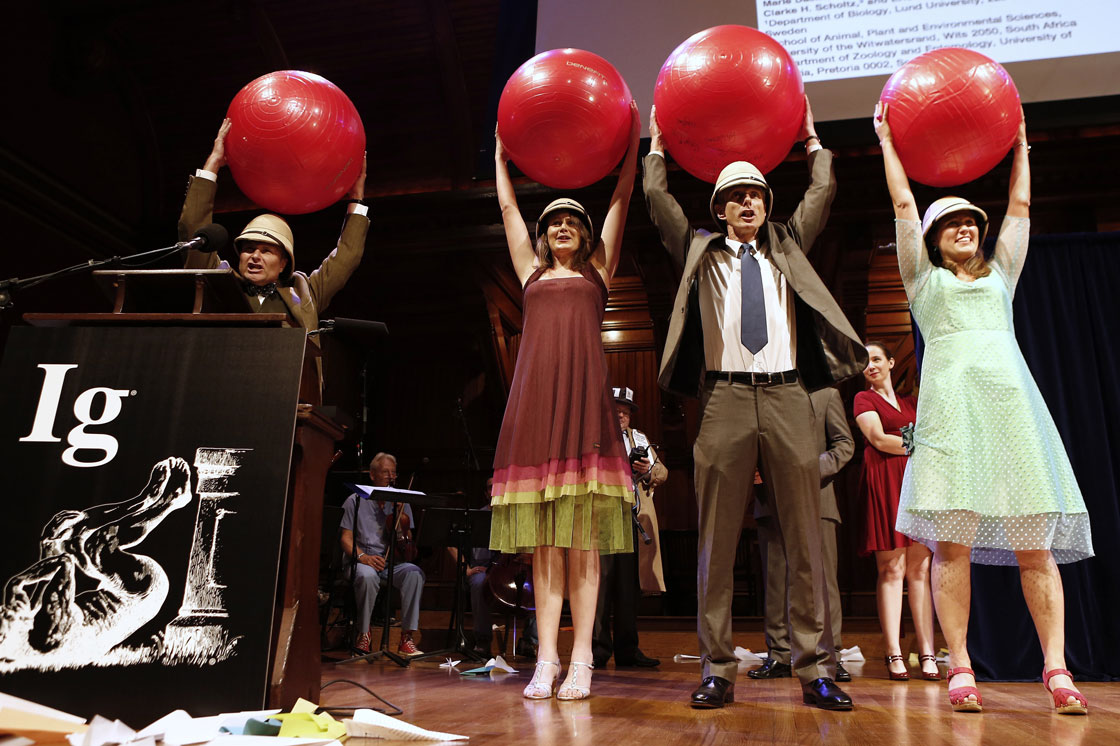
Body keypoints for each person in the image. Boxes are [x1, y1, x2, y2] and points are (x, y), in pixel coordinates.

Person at [644, 97, 867, 711]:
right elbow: (659, 206)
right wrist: (657, 148)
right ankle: (717, 669)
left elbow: (821, 194)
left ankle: (815, 669)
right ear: (719, 208)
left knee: (804, 539)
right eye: (737, 196)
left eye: (758, 195)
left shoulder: (788, 246)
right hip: (725, 399)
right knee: (715, 540)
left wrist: (814, 141)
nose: (749, 203)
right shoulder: (700, 250)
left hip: (792, 394)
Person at [874, 103, 1093, 714]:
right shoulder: (922, 279)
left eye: (972, 221)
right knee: (952, 548)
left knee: (1036, 548)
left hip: (1013, 418)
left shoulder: (1002, 274)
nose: (966, 227)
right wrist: (889, 141)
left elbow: (1019, 209)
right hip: (951, 420)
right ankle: (961, 666)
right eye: (952, 224)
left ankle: (1056, 668)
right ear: (934, 241)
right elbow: (902, 208)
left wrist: (1021, 144)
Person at [489, 102, 641, 701]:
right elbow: (506, 209)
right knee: (544, 544)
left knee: (583, 540)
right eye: (552, 222)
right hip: (535, 408)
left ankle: (582, 660)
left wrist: (632, 147)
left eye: (571, 223)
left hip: (583, 410)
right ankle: (545, 660)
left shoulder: (598, 271)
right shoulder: (528, 272)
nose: (560, 229)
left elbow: (622, 200)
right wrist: (500, 159)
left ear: (583, 233)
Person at [178, 119, 369, 390]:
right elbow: (193, 232)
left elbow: (347, 257)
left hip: (282, 397)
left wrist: (356, 200)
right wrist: (213, 164)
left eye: (266, 251)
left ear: (283, 264)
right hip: (216, 389)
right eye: (248, 249)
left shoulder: (304, 293)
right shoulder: (218, 282)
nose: (255, 256)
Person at [752, 386, 854, 683]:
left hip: (816, 498)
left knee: (822, 583)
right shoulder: (761, 394)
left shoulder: (826, 394)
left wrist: (807, 469)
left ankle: (829, 655)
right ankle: (779, 655)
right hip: (771, 500)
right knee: (775, 581)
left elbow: (844, 445)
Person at [853, 341, 937, 682]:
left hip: (915, 484)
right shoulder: (864, 399)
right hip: (885, 482)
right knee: (892, 569)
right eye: (865, 362)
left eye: (876, 359)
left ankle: (928, 652)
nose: (871, 366)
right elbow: (878, 439)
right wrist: (925, 445)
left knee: (920, 569)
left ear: (890, 362)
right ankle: (893, 652)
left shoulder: (912, 403)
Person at [592, 386, 667, 669]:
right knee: (600, 586)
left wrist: (646, 469)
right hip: (602, 517)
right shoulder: (596, 438)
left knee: (627, 588)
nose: (621, 415)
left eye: (625, 411)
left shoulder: (639, 438)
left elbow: (662, 472)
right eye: (616, 409)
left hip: (631, 519)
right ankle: (597, 650)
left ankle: (627, 650)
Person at [339, 453, 425, 657]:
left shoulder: (401, 500)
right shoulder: (355, 500)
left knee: (414, 573)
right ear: (372, 474)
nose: (390, 476)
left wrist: (398, 522)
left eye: (393, 472)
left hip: (390, 562)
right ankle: (364, 634)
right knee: (367, 576)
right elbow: (345, 538)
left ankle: (406, 637)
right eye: (385, 472)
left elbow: (408, 537)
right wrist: (363, 558)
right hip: (361, 559)